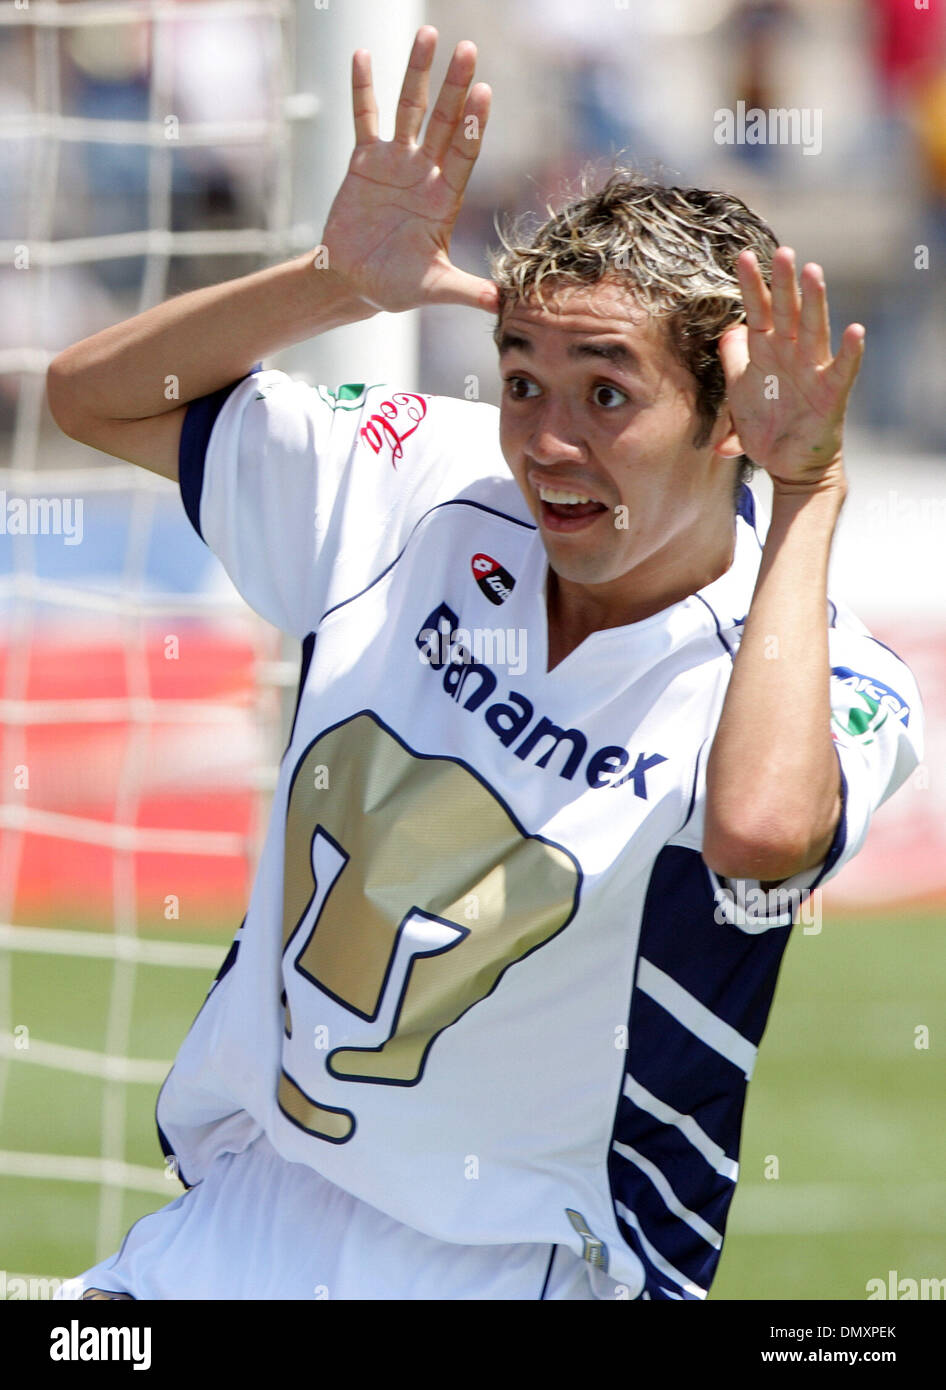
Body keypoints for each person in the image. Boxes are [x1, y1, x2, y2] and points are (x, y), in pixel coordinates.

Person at [46, 28, 922, 1301]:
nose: (547, 442)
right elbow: (93, 399)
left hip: (525, 1268)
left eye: (606, 395)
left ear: (727, 418)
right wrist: (334, 284)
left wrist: (808, 494)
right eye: (522, 381)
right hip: (242, 1216)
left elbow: (757, 832)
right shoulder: (416, 471)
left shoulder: (817, 664)